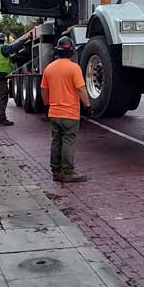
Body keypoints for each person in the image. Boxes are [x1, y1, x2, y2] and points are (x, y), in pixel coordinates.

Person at [40, 36, 91, 183]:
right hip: (70, 113)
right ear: (71, 52)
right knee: (68, 141)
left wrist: (46, 105)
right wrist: (87, 106)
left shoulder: (49, 68)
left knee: (56, 141)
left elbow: (44, 89)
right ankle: (68, 172)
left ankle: (56, 171)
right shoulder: (74, 68)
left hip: (54, 113)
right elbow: (81, 89)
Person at [0, 32, 26, 126]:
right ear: (3, 40)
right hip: (0, 75)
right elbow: (12, 48)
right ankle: (2, 118)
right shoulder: (2, 48)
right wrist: (23, 40)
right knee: (3, 95)